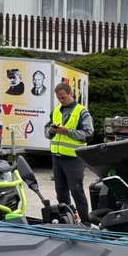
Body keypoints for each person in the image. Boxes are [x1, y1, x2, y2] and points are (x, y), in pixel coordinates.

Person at [43, 82, 93, 220]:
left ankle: (85, 222)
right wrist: (52, 130)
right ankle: (67, 219)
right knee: (61, 192)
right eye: (58, 98)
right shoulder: (56, 110)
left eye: (63, 97)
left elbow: (89, 135)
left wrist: (68, 132)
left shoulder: (82, 112)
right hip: (57, 157)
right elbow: (46, 132)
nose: (61, 100)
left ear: (71, 94)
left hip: (73, 159)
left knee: (76, 191)